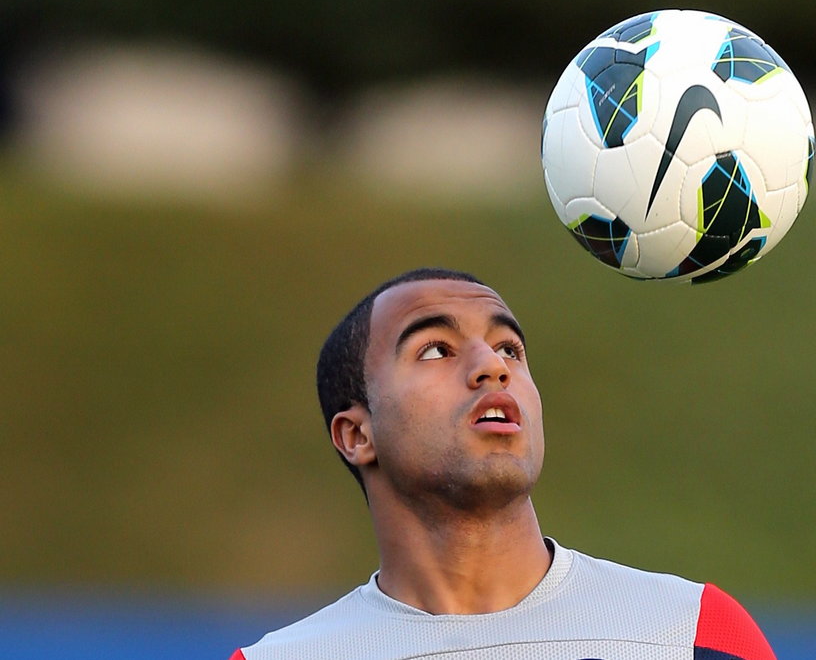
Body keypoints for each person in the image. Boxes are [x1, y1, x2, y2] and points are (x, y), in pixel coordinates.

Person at [230, 267, 777, 660]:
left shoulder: (693, 634)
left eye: (509, 348)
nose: (491, 366)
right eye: (436, 349)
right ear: (356, 434)